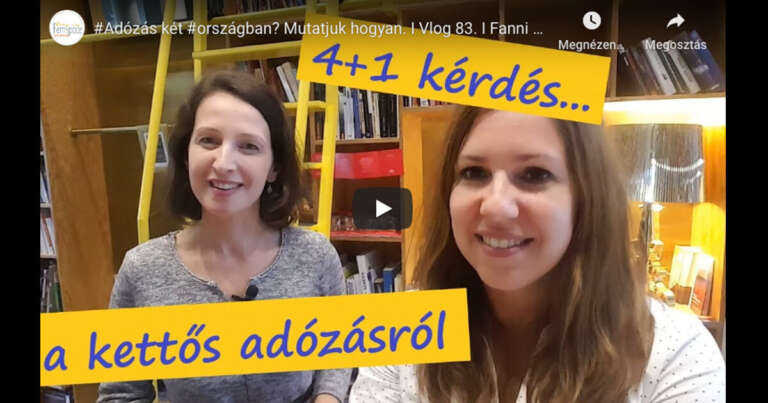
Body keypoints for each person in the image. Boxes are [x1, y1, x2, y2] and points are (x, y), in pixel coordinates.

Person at [349, 106, 725, 402]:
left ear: (588, 199)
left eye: (534, 174)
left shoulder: (675, 354)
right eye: (474, 173)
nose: (495, 206)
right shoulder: (400, 331)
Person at [97, 70, 350, 403]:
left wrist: (328, 398)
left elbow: (337, 354)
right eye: (209, 140)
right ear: (186, 153)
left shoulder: (316, 256)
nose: (224, 162)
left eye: (249, 146)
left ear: (273, 167)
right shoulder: (142, 270)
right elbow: (121, 394)